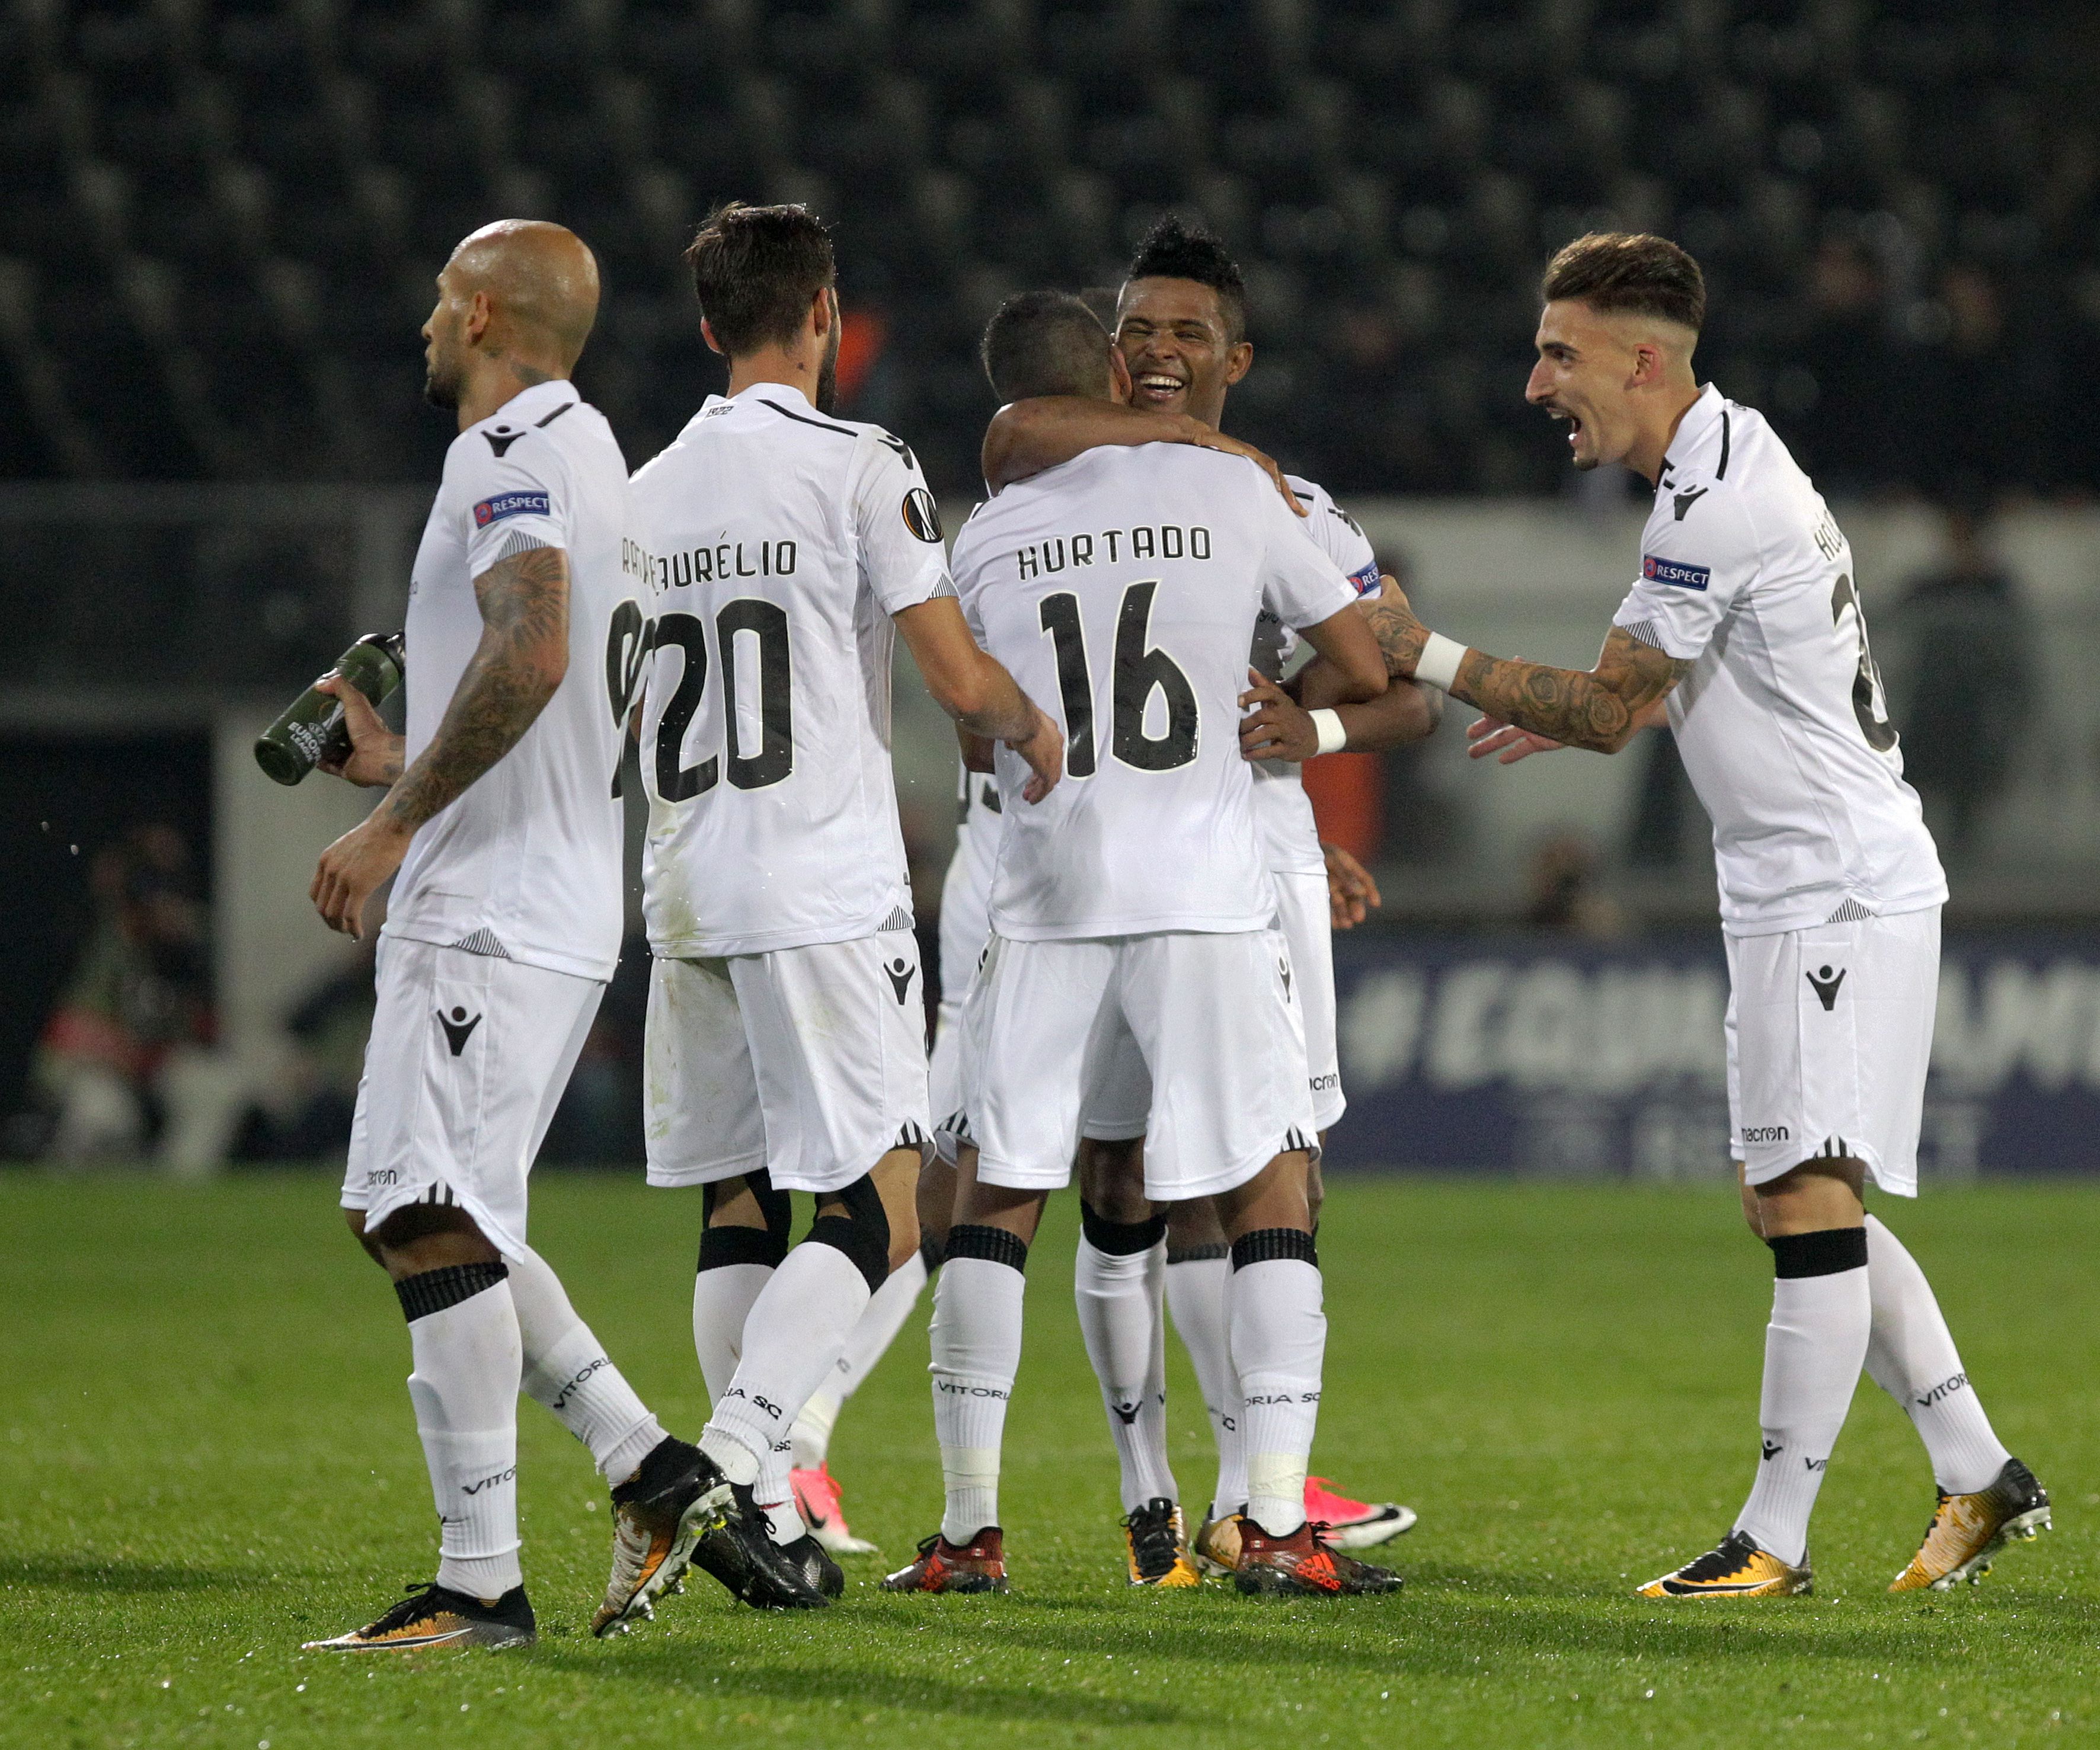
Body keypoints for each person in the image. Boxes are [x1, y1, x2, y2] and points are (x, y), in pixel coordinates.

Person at [1379, 231, 2048, 1598]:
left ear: (1641, 359)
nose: (1532, 382)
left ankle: (1772, 1539)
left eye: (1557, 353)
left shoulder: (1707, 502)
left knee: (1802, 1191)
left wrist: (1422, 651)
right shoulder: (1719, 457)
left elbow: (1611, 708)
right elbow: (1648, 683)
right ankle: (1977, 1471)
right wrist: (1576, 700)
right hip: (1800, 883)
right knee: (1787, 1195)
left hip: (1830, 886)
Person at [301, 219, 785, 1653]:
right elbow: (559, 703)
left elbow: (534, 651)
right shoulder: (606, 472)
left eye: (445, 299)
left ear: (493, 314)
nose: (428, 325)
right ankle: (651, 1468)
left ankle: (478, 1585)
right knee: (445, 1212)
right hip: (554, 891)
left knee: (410, 1209)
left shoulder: (502, 452)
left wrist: (394, 832)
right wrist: (396, 762)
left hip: (491, 905)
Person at [883, 290, 1398, 1599]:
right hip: (1205, 889)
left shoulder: (989, 532)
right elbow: (1354, 654)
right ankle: (1272, 1518)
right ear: (1120, 371)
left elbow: (973, 735)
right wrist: (1279, 710)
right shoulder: (1234, 495)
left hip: (1050, 885)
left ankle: (965, 1531)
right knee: (1267, 1176)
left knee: (1000, 1195)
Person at [629, 203, 1062, 1601]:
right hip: (818, 881)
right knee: (887, 1197)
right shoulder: (859, 463)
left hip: (687, 880)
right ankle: (739, 1462)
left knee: (737, 1201)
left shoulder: (640, 492)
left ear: (707, 328)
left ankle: (768, 1522)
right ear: (823, 313)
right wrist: (1033, 725)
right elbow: (953, 677)